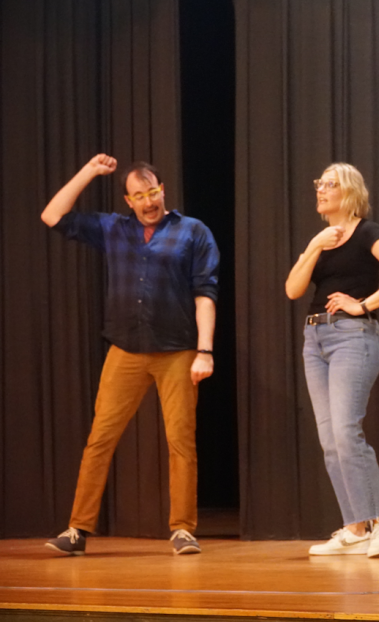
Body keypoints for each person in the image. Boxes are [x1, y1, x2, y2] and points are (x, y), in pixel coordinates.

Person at [41, 154, 220, 556]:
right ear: (128, 200)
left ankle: (182, 529)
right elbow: (52, 215)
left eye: (152, 192)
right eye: (138, 196)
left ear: (162, 191)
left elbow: (205, 293)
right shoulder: (113, 228)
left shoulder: (192, 231)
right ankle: (77, 529)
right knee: (100, 439)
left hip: (177, 351)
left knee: (181, 442)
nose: (148, 201)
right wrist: (89, 171)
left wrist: (205, 351)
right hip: (125, 350)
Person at [285, 162, 379, 558]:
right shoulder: (321, 241)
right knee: (330, 442)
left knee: (345, 432)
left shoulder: (368, 232)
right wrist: (314, 245)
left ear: (350, 192)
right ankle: (356, 528)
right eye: (319, 183)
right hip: (315, 339)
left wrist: (363, 305)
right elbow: (293, 289)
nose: (321, 189)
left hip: (352, 338)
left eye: (330, 184)